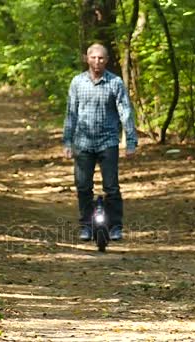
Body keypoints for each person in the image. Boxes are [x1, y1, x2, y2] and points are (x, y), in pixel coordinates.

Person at [62, 43, 138, 242]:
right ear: (87, 59)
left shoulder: (115, 83)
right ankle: (86, 226)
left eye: (101, 58)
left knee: (111, 186)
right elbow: (71, 114)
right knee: (83, 187)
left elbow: (125, 112)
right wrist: (67, 142)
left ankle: (115, 227)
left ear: (107, 60)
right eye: (93, 58)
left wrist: (131, 142)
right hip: (83, 142)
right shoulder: (77, 82)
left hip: (108, 141)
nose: (97, 62)